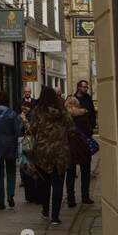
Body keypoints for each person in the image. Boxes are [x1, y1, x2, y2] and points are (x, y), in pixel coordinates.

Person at [29, 86, 74, 225]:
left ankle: (45, 210)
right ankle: (55, 216)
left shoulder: (38, 111)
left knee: (44, 183)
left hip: (43, 152)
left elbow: (33, 129)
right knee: (58, 184)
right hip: (60, 152)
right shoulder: (63, 111)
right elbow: (71, 129)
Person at [64, 92, 94, 207]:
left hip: (69, 147)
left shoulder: (64, 117)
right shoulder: (83, 114)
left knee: (70, 174)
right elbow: (89, 131)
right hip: (83, 147)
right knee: (85, 172)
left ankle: (71, 198)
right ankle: (85, 196)